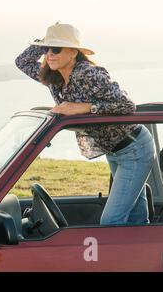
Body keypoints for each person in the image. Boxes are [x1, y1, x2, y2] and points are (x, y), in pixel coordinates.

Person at [15, 22, 155, 225]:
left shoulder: (88, 74)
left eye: (56, 49)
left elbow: (126, 105)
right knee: (135, 217)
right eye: (47, 50)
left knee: (111, 221)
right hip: (114, 151)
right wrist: (46, 41)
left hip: (134, 149)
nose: (49, 55)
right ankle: (142, 253)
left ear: (73, 53)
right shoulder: (54, 77)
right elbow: (23, 61)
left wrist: (85, 107)